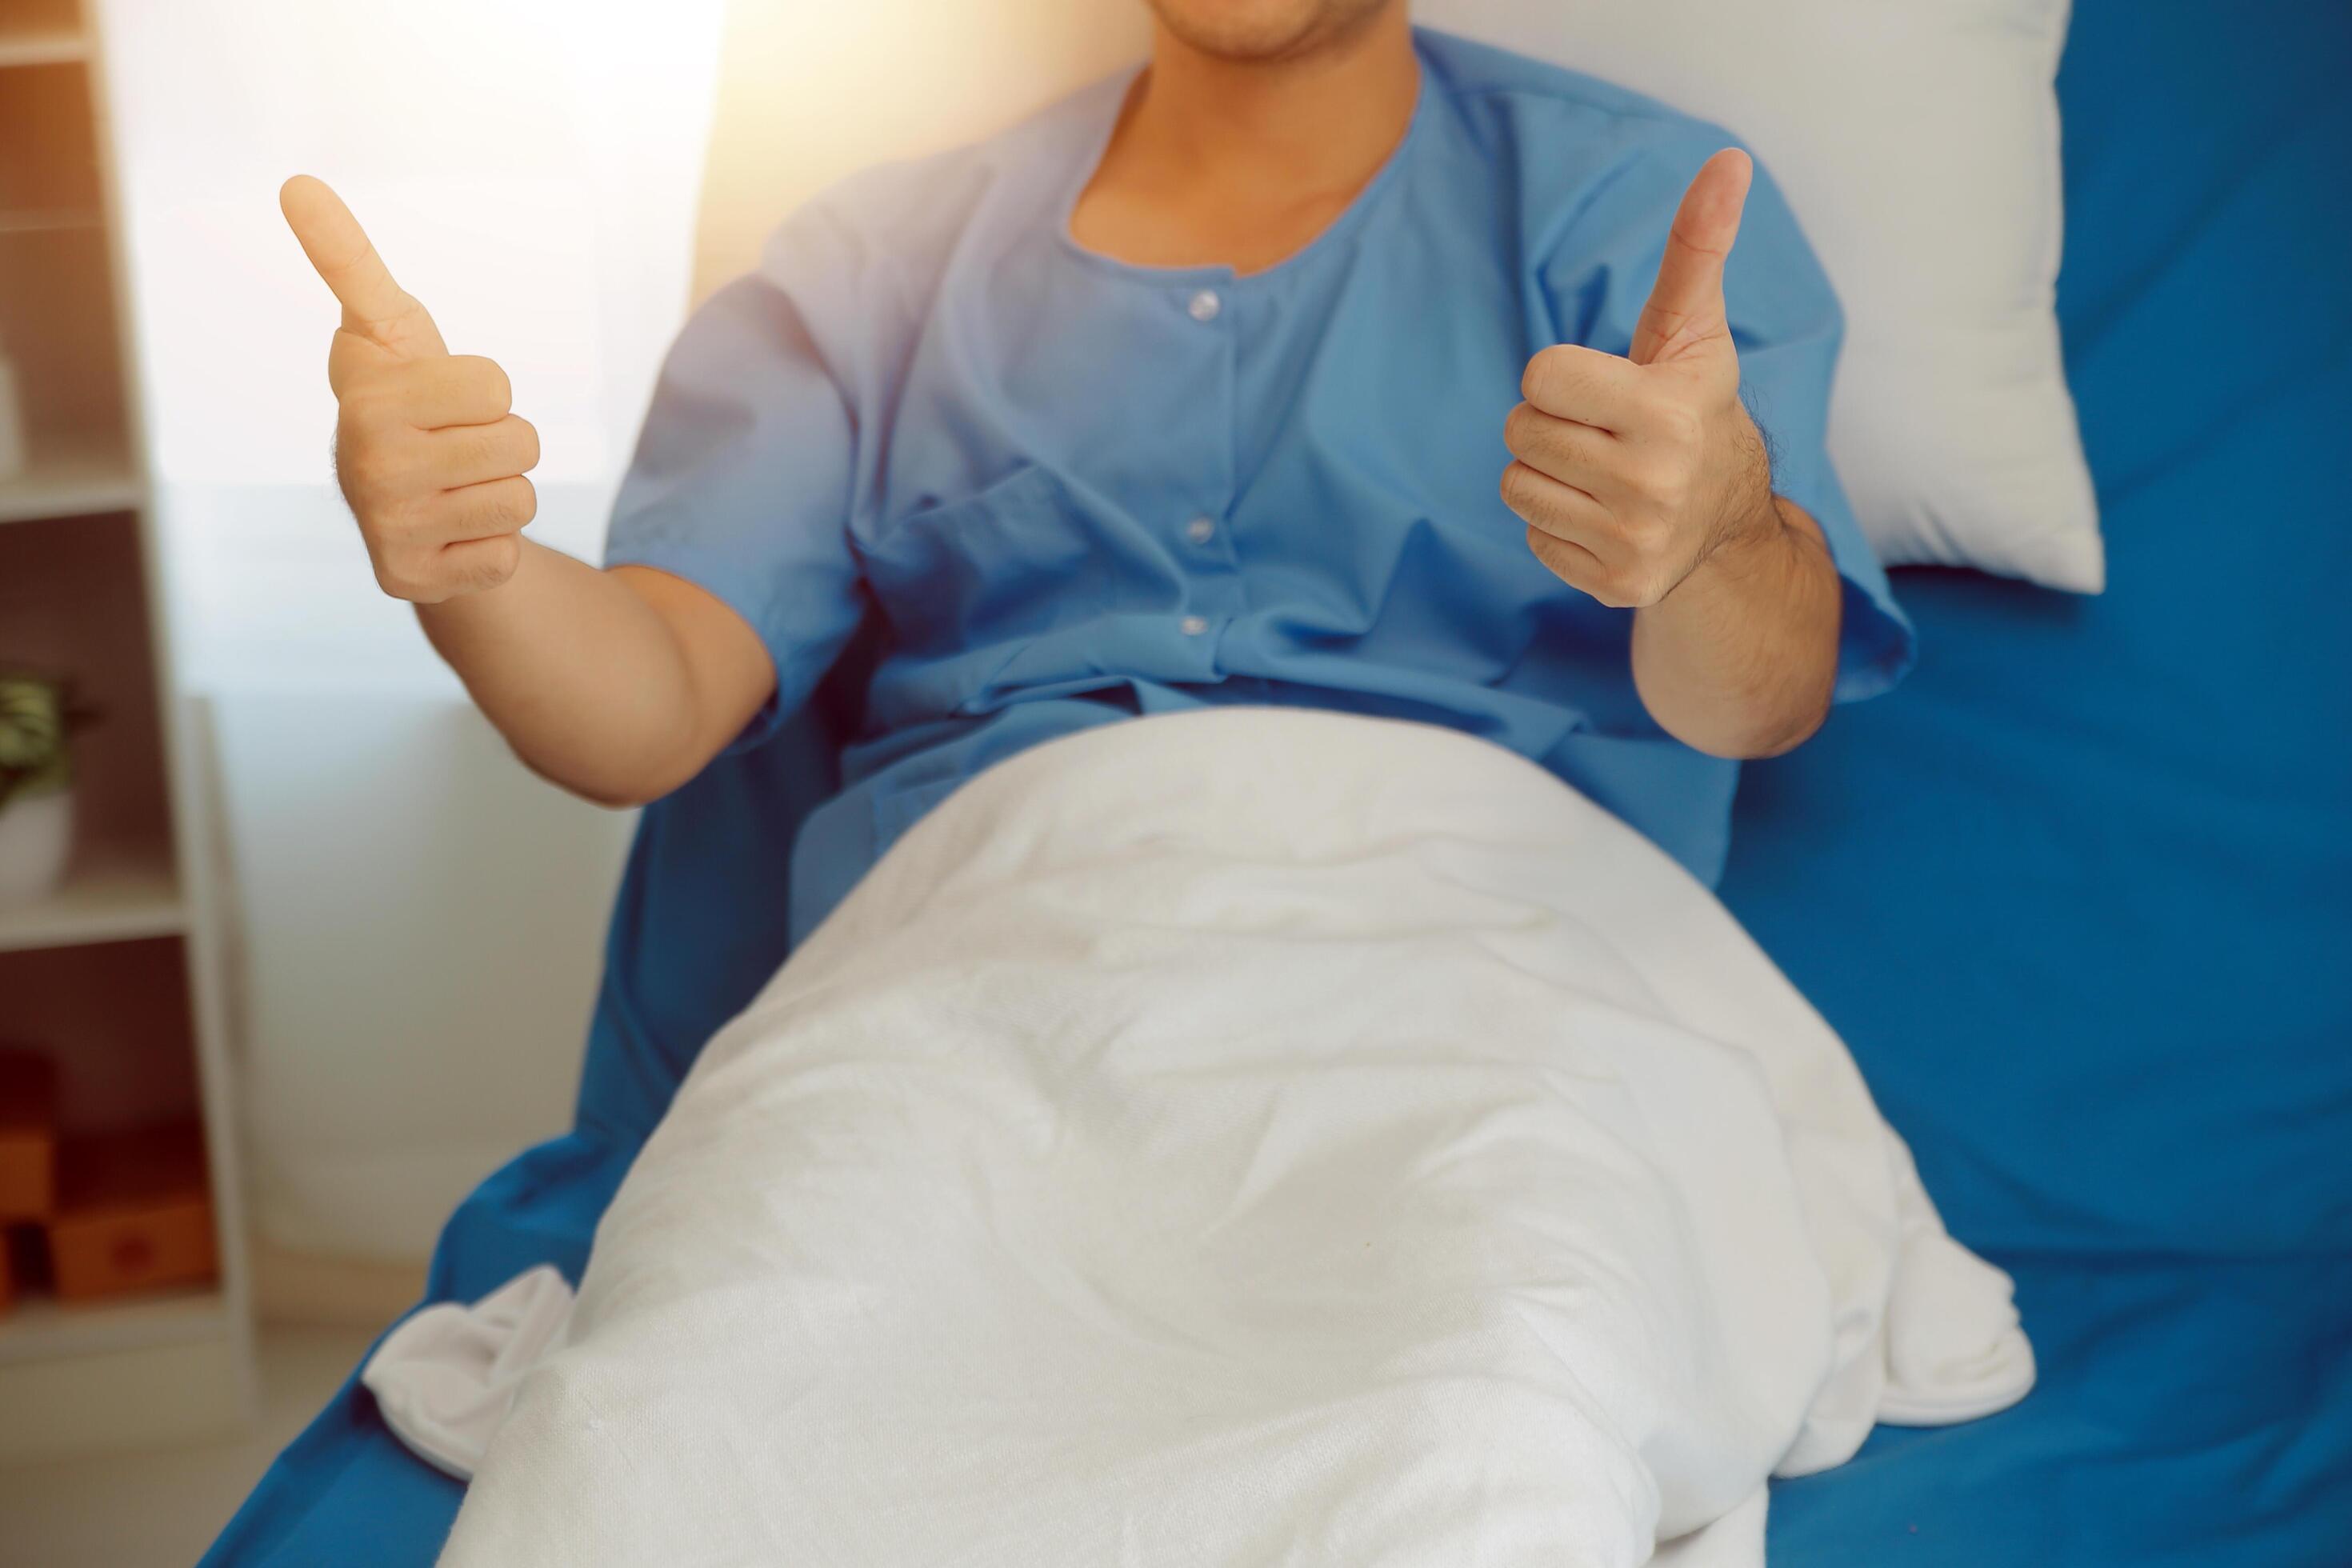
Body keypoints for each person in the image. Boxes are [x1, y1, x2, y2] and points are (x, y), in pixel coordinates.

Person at [280, 0, 1909, 945]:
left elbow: (1760, 697)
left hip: (1481, 982)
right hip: (975, 987)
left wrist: (1711, 536)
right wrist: (472, 572)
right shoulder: (876, 258)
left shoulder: (1633, 219)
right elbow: (644, 705)